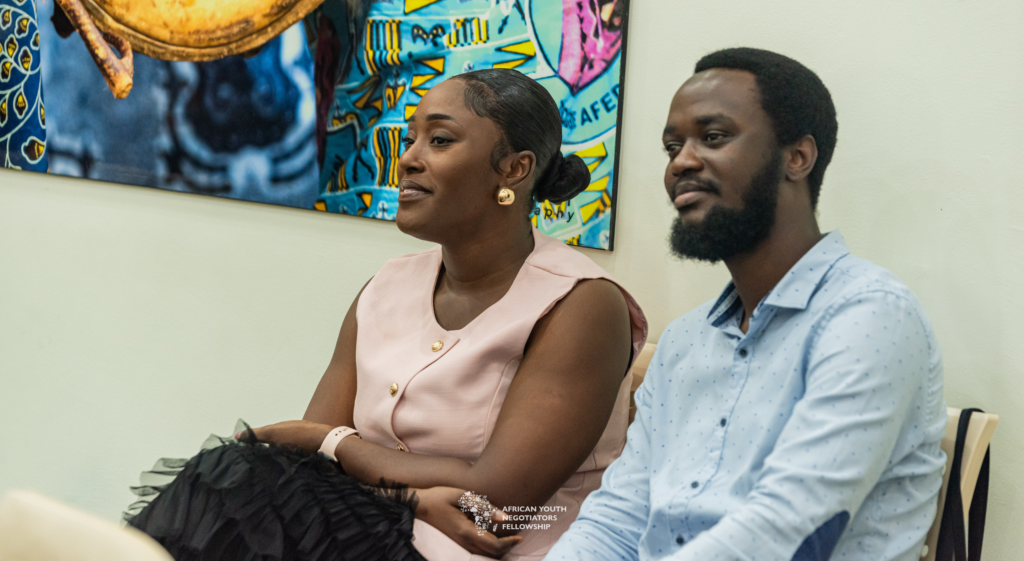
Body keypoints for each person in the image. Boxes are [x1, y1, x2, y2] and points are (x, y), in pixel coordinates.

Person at [126, 68, 648, 561]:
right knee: (234, 485)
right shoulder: (388, 285)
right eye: (410, 139)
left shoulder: (582, 305)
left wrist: (332, 441)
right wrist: (408, 497)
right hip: (380, 524)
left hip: (497, 546)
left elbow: (495, 495)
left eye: (439, 140)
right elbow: (304, 470)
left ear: (515, 169)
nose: (409, 159)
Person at [545, 48, 946, 561]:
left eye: (713, 137)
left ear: (797, 157)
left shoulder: (870, 317)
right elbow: (618, 519)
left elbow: (786, 533)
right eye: (672, 147)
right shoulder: (686, 341)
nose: (681, 162)